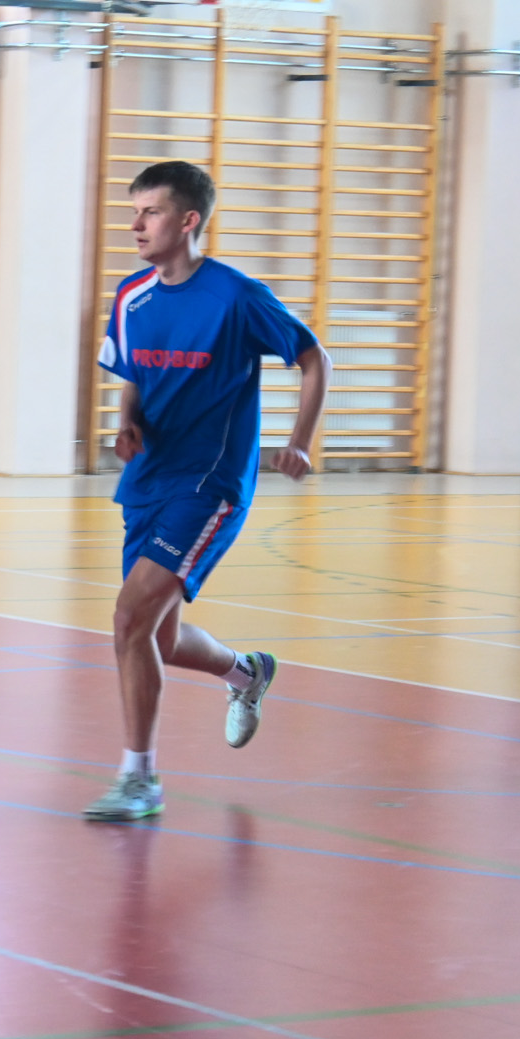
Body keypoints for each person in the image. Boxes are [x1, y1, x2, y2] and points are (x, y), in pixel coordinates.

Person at [89, 159, 331, 823]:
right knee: (159, 640)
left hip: (210, 486)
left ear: (188, 220)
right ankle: (247, 672)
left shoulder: (236, 296)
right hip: (148, 482)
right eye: (134, 212)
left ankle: (139, 780)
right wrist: (127, 423)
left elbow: (314, 357)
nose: (136, 224)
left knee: (129, 619)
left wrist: (300, 440)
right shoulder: (131, 296)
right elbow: (132, 373)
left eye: (151, 212)